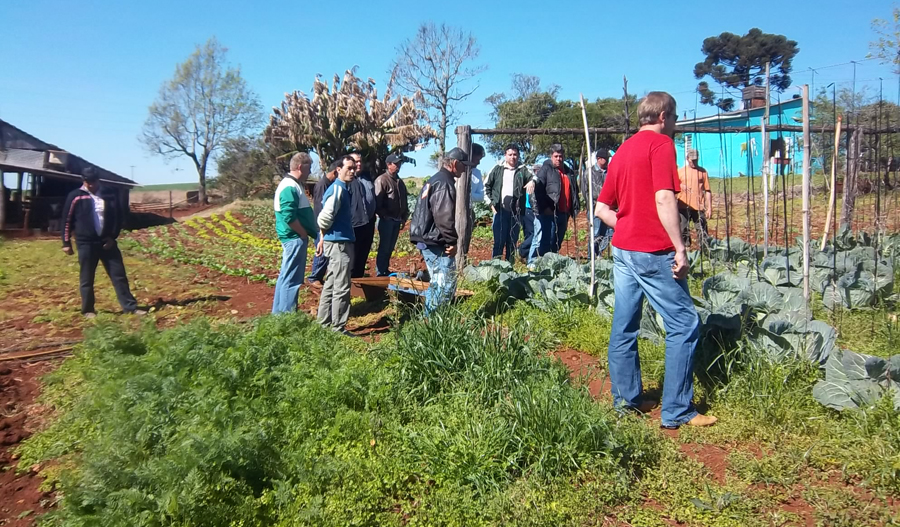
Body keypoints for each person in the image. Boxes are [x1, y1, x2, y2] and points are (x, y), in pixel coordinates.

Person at [595, 91, 716, 429]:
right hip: (652, 251)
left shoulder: (621, 152)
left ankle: (626, 402)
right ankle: (677, 410)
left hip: (623, 251)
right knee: (684, 324)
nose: (675, 125)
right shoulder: (661, 145)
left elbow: (601, 209)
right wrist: (680, 247)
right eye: (675, 119)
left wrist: (628, 225)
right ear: (664, 116)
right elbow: (664, 198)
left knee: (624, 326)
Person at [61, 167, 145, 318]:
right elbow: (67, 220)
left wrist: (112, 237)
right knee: (87, 277)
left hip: (107, 242)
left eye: (93, 181)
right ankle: (88, 310)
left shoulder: (109, 195)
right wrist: (66, 243)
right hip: (86, 243)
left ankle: (130, 307)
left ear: (98, 180)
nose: (91, 185)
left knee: (118, 275)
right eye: (88, 182)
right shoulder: (76, 196)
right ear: (83, 180)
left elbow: (117, 218)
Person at [409, 147, 474, 314]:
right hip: (436, 241)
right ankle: (434, 323)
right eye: (463, 165)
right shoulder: (444, 183)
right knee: (444, 283)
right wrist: (452, 241)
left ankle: (431, 321)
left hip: (429, 239)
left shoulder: (436, 179)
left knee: (439, 282)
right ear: (454, 163)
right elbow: (444, 218)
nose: (465, 169)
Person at [316, 155, 357, 334]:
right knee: (341, 286)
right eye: (349, 168)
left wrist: (324, 236)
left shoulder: (340, 188)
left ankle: (323, 323)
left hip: (335, 242)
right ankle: (338, 328)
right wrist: (324, 233)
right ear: (338, 170)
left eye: (354, 168)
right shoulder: (338, 189)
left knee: (331, 283)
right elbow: (324, 217)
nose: (352, 171)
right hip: (339, 244)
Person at [272, 153, 317, 313]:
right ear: (300, 167)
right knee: (292, 278)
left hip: (294, 237)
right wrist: (302, 234)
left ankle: (279, 314)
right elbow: (288, 216)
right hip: (294, 238)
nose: (309, 171)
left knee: (286, 276)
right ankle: (287, 315)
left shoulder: (291, 184)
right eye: (309, 168)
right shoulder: (289, 186)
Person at [530, 144, 578, 256]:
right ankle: (543, 267)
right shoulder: (546, 169)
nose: (558, 159)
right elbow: (539, 188)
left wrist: (574, 208)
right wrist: (545, 207)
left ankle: (553, 264)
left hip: (564, 213)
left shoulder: (569, 172)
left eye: (560, 156)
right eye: (556, 156)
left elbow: (574, 191)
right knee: (547, 241)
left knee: (557, 242)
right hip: (550, 213)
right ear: (551, 156)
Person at [483, 144, 528, 262]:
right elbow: (486, 186)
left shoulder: (523, 169)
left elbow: (534, 178)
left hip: (515, 213)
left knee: (512, 242)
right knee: (498, 242)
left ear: (518, 156)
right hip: (500, 211)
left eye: (515, 155)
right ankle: (495, 268)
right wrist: (491, 203)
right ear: (505, 155)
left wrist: (532, 182)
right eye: (510, 154)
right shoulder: (497, 169)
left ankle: (509, 269)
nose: (513, 157)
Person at [374, 153, 409, 276]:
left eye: (399, 163)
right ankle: (380, 272)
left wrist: (404, 217)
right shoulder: (382, 180)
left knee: (390, 247)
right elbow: (377, 201)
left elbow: (404, 200)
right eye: (396, 163)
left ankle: (385, 269)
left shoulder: (400, 182)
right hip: (386, 220)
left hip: (396, 219)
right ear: (389, 165)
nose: (398, 165)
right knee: (384, 247)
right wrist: (384, 215)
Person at [307, 159, 340, 286]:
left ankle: (319, 276)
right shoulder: (322, 185)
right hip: (320, 225)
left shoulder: (327, 184)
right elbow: (321, 208)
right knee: (321, 251)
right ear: (335, 172)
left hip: (325, 225)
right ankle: (314, 277)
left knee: (325, 251)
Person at [349, 152, 377, 278]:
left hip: (369, 221)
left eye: (360, 161)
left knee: (364, 251)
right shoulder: (347, 180)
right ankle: (351, 280)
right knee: (353, 253)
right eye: (356, 161)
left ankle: (359, 277)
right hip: (355, 223)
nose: (359, 163)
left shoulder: (367, 177)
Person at [677, 149, 711, 247]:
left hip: (699, 206)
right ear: (687, 159)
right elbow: (673, 186)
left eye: (696, 160)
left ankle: (704, 248)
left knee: (702, 229)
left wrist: (709, 208)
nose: (694, 163)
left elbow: (708, 190)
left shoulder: (702, 172)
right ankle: (686, 248)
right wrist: (681, 186)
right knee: (683, 229)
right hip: (683, 206)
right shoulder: (680, 172)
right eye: (692, 160)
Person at [583, 148, 613, 255]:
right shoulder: (589, 172)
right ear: (598, 159)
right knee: (595, 233)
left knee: (607, 234)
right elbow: (585, 191)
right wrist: (591, 207)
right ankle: (592, 258)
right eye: (605, 159)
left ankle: (599, 255)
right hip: (595, 208)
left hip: (608, 208)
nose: (607, 161)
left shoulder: (610, 172)